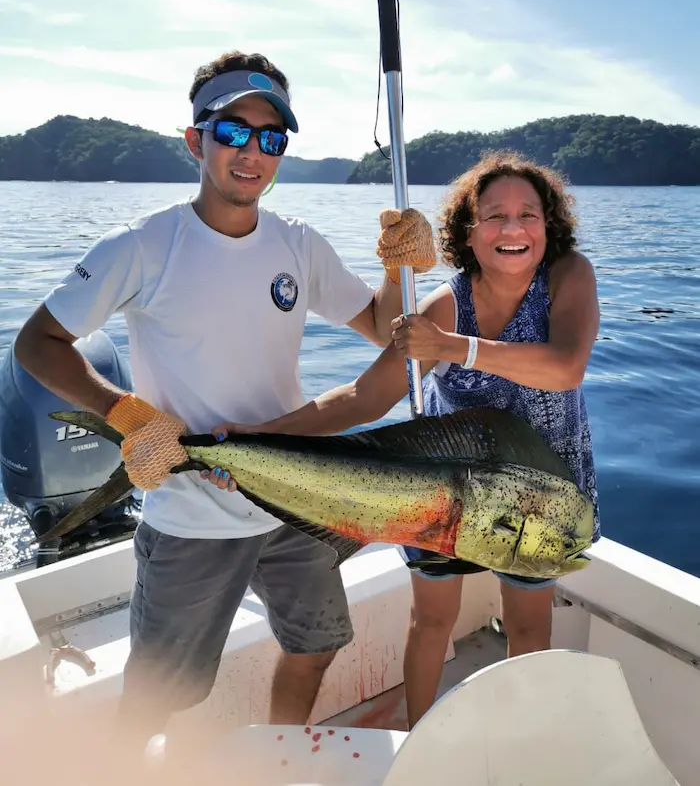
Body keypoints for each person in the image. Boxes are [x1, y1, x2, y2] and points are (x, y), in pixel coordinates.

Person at [13, 49, 437, 744]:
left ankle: (275, 756)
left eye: (271, 138)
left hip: (289, 497)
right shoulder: (145, 245)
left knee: (316, 642)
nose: (252, 152)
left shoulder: (298, 245)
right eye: (232, 131)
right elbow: (36, 343)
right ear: (195, 141)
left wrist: (398, 265)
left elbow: (381, 330)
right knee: (159, 692)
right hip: (189, 515)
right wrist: (127, 413)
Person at [207, 149, 601, 730]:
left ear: (550, 226)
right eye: (494, 215)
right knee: (432, 623)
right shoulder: (442, 306)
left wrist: (451, 348)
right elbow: (365, 399)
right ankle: (420, 741)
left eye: (529, 215)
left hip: (537, 500)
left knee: (527, 627)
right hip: (442, 493)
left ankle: (526, 739)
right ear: (468, 232)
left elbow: (566, 367)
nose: (513, 228)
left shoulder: (568, 275)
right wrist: (258, 435)